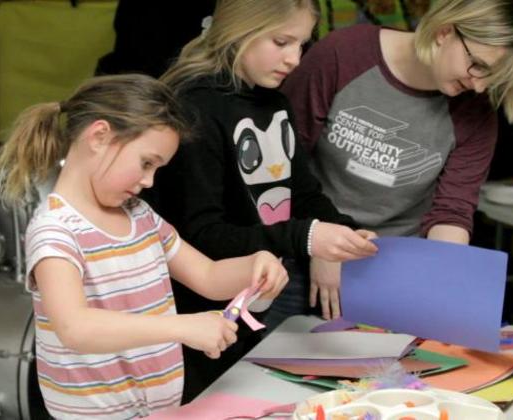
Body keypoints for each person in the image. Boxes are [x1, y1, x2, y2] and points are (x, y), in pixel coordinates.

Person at [0, 74, 289, 419]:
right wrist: (183, 327)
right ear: (100, 136)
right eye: (146, 163)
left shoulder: (141, 216)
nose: (149, 181)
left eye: (157, 169)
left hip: (160, 409)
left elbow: (207, 275)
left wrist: (254, 266)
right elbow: (76, 328)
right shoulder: (55, 230)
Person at [153, 0, 378, 401]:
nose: (294, 59)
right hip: (191, 318)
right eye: (281, 42)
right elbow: (203, 235)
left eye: (302, 45)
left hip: (250, 307)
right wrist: (306, 237)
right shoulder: (194, 106)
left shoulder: (274, 101)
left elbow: (303, 193)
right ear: (241, 30)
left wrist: (342, 229)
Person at [281, 0, 513, 245]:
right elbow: (284, 160)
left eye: (492, 77)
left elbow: (451, 212)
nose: (479, 86)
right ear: (444, 32)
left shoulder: (476, 111)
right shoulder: (342, 54)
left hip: (398, 254)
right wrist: (320, 239)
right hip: (307, 235)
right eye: (477, 65)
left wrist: (444, 268)